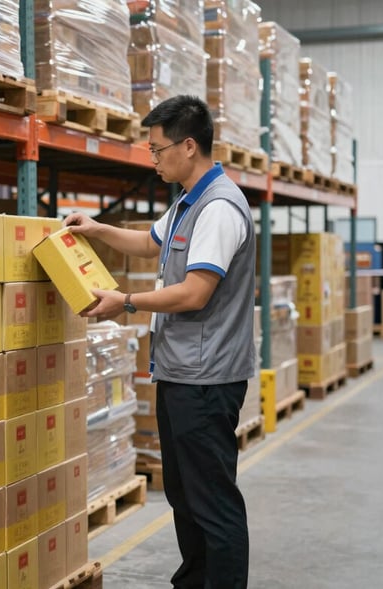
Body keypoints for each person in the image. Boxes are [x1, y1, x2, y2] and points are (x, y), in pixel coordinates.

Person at [63, 95, 255, 589]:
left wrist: (125, 301)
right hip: (181, 373)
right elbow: (150, 243)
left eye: (157, 149)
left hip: (206, 379)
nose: (153, 159)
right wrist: (97, 228)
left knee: (211, 501)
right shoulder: (188, 201)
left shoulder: (219, 207)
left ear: (188, 146)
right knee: (185, 497)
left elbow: (194, 293)